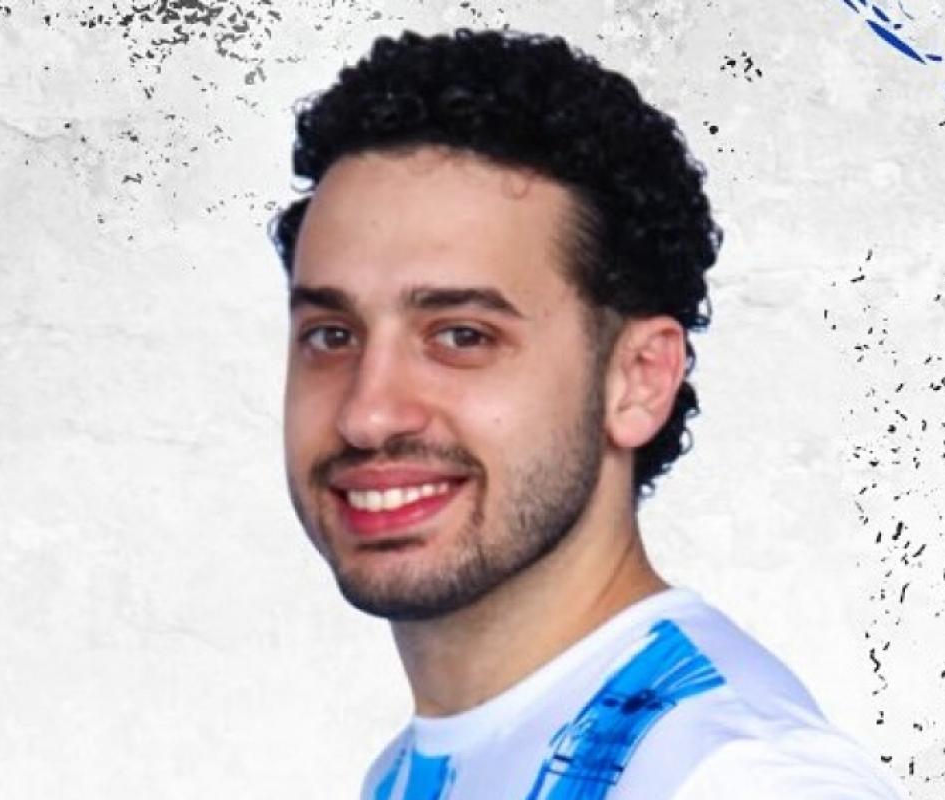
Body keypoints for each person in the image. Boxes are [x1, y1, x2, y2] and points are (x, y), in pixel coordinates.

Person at [271, 28, 906, 799]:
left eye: (463, 336)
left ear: (638, 380)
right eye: (331, 335)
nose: (368, 415)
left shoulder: (735, 777)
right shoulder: (406, 772)